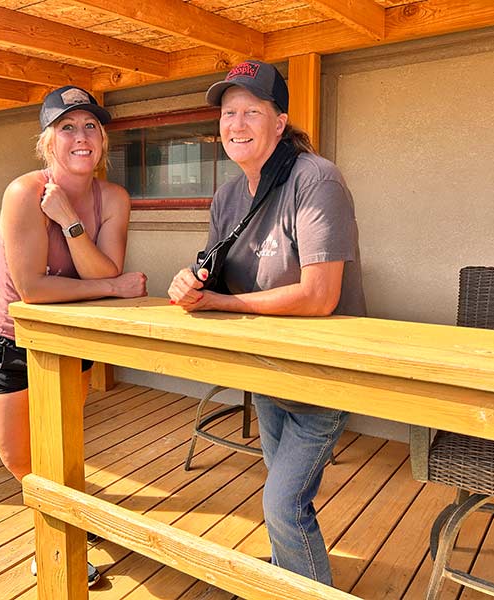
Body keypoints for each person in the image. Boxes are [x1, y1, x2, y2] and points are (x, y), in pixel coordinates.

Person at [168, 61, 366, 586]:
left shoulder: (315, 178)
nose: (236, 123)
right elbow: (215, 276)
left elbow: (320, 296)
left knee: (283, 505)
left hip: (321, 374)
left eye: (251, 111)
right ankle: (288, 582)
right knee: (280, 496)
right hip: (268, 372)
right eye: (228, 112)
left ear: (279, 122)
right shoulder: (229, 195)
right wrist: (189, 284)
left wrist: (219, 305)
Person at [0, 85, 147, 586]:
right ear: (47, 142)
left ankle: (54, 541)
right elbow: (31, 289)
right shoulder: (22, 192)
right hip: (12, 340)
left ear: (102, 140)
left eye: (90, 126)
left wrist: (70, 221)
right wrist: (109, 286)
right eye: (67, 127)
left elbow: (106, 266)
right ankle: (59, 523)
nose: (81, 136)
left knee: (60, 447)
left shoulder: (113, 197)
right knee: (19, 456)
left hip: (71, 343)